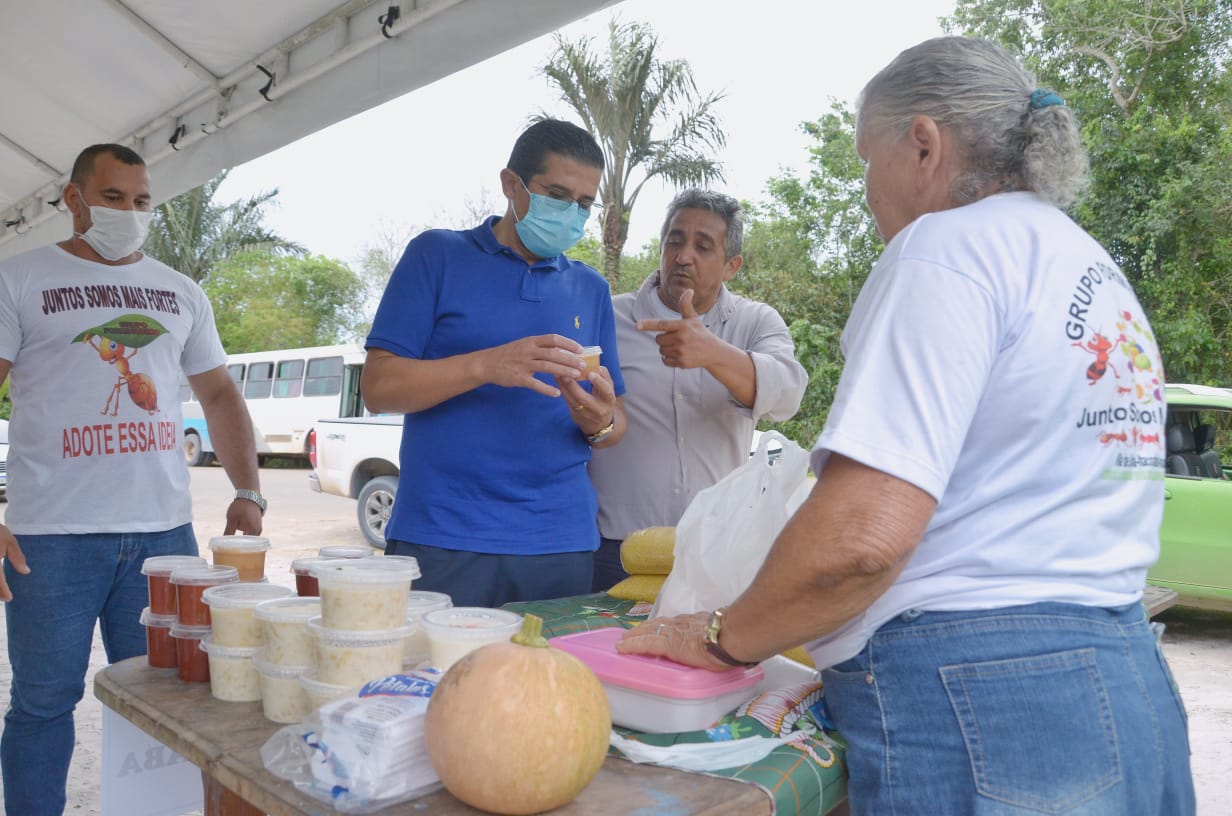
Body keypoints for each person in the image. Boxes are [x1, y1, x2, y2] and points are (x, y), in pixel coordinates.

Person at [617, 37, 1195, 815]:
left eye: (865, 161)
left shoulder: (947, 249)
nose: (865, 189)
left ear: (923, 145)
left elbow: (860, 542)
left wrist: (722, 636)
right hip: (1127, 677)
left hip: (985, 694)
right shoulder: (1085, 261)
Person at [0, 143, 265, 816]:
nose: (130, 213)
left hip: (162, 538)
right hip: (48, 538)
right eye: (114, 198)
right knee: (42, 704)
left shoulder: (180, 291)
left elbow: (221, 397)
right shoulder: (19, 278)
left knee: (170, 702)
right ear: (74, 198)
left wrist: (249, 490)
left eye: (142, 201)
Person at [362, 119, 626, 608]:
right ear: (511, 185)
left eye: (584, 204)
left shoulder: (591, 289)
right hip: (443, 537)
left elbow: (615, 426)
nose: (571, 213)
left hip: (561, 541)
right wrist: (486, 364)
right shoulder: (437, 256)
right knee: (439, 681)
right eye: (557, 194)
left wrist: (601, 420)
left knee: (546, 684)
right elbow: (378, 388)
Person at [588, 189, 807, 591]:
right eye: (675, 241)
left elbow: (787, 395)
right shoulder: (609, 316)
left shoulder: (755, 322)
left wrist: (713, 353)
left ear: (732, 265)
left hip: (714, 552)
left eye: (703, 246)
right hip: (613, 552)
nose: (684, 256)